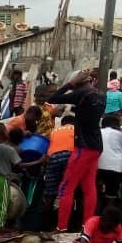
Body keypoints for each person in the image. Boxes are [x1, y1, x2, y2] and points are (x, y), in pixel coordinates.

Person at [48, 69, 107, 232]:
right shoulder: (101, 94)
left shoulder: (81, 93)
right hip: (96, 146)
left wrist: (71, 83)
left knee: (66, 187)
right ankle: (87, 227)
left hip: (83, 147)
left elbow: (52, 98)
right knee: (89, 187)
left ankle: (61, 227)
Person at [98, 114, 122, 210]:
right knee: (111, 194)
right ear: (117, 125)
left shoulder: (98, 132)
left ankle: (94, 215)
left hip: (98, 165)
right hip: (115, 167)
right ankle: (109, 215)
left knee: (95, 191)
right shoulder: (121, 135)